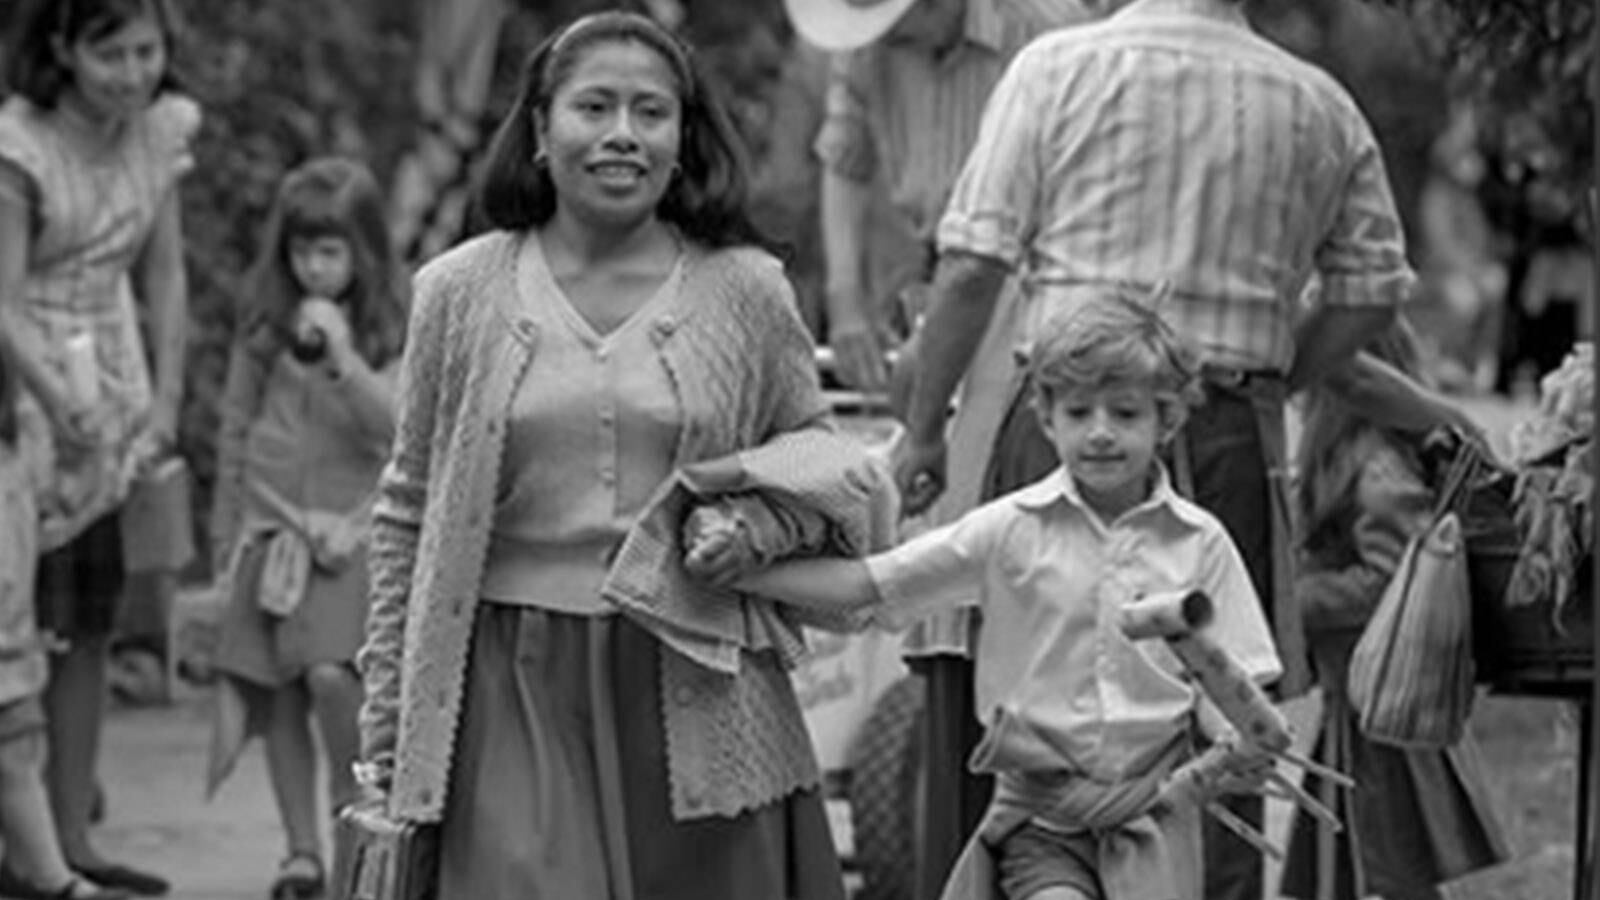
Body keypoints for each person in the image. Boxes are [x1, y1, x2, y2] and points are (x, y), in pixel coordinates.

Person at [890, 2, 1485, 897]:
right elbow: (1370, 290)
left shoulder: (1056, 68)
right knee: (1217, 716)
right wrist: (1269, 378)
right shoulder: (1319, 103)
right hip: (1229, 431)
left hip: (1062, 426)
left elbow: (975, 264)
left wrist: (924, 429)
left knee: (1032, 709)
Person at [353, 12, 896, 899]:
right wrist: (387, 723)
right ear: (540, 129)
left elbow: (822, 459)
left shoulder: (746, 289)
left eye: (651, 112)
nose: (622, 134)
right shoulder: (458, 291)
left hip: (700, 676)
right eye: (594, 107)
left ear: (682, 139)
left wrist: (750, 526)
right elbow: (407, 508)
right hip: (508, 684)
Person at [686, 290, 1281, 900]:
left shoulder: (1201, 543)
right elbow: (871, 583)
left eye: (1126, 414)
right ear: (1046, 419)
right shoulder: (1009, 529)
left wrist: (1237, 744)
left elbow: (1239, 685)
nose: (1101, 433)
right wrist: (745, 572)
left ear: (1168, 421)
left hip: (1155, 822)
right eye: (1079, 413)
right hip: (1042, 821)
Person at [786, 1, 1103, 890]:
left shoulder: (1042, 29)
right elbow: (843, 161)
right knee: (945, 586)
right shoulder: (864, 46)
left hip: (1033, 290)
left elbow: (1014, 240)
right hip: (943, 282)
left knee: (997, 577)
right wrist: (847, 302)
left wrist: (937, 369)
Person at [0, 0, 197, 894]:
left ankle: (72, 836)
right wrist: (53, 398)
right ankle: (26, 845)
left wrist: (166, 401)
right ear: (63, 49)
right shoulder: (21, 144)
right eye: (110, 53)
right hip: (22, 392)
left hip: (112, 389)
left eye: (146, 51)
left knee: (86, 620)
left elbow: (165, 273)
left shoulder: (159, 130)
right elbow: (2, 298)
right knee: (17, 629)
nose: (132, 72)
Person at [205, 157, 407, 900]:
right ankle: (300, 853)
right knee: (278, 690)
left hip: (353, 536)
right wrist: (228, 539)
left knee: (331, 675)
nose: (314, 268)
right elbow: (235, 429)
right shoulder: (266, 324)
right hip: (271, 529)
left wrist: (343, 359)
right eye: (301, 251)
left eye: (330, 251)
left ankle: (348, 823)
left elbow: (400, 430)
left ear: (364, 250)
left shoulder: (393, 323)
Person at [1280, 319, 1510, 900]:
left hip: (1384, 706)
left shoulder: (1375, 467)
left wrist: (1295, 601)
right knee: (1350, 868)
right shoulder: (1344, 460)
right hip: (1355, 704)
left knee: (1396, 868)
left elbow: (1391, 582)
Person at [0, 349, 129, 900]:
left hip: (12, 649)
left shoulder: (16, 460)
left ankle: (49, 876)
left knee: (19, 753)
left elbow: (59, 509)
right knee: (16, 756)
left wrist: (97, 447)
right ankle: (53, 879)